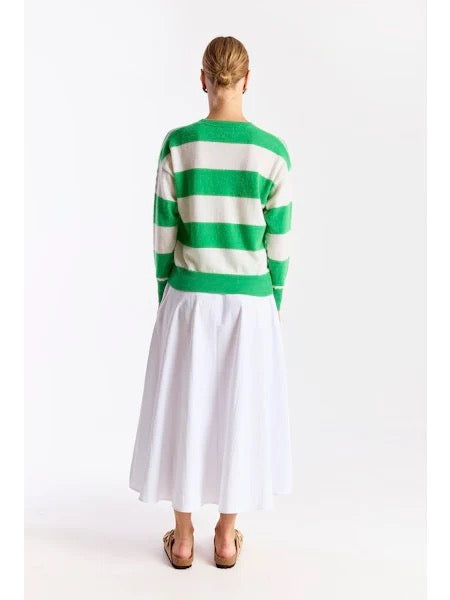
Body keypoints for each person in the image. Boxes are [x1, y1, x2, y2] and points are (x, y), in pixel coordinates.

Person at [129, 35, 293, 569]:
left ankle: (182, 538)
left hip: (189, 297)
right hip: (250, 305)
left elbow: (163, 233)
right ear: (247, 80)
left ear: (203, 79)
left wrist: (167, 292)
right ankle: (225, 537)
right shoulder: (272, 153)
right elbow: (278, 246)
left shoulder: (179, 145)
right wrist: (271, 303)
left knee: (187, 406)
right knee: (238, 412)